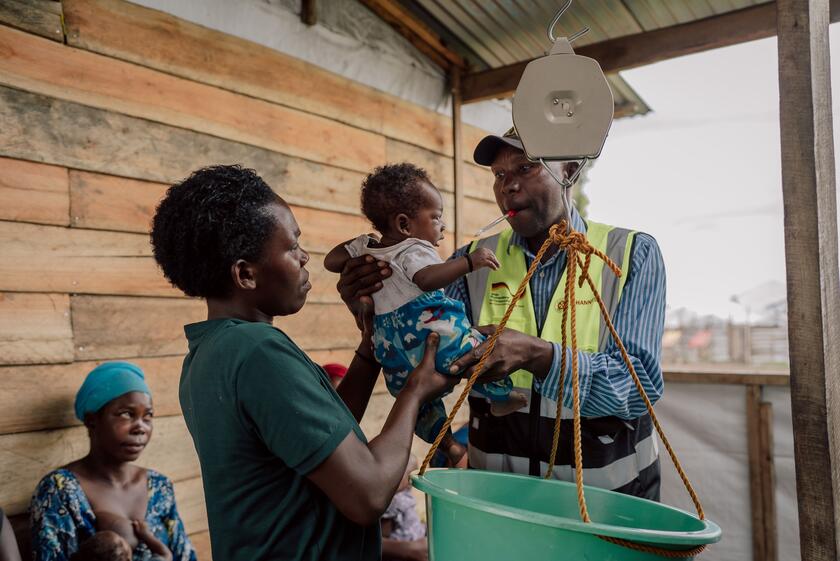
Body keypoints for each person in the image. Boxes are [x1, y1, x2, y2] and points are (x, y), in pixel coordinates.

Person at [337, 128, 665, 500]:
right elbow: (425, 353)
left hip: (606, 507)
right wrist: (377, 306)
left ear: (569, 171)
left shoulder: (629, 253)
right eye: (499, 175)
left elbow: (639, 390)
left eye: (526, 168)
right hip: (498, 503)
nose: (508, 186)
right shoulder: (468, 261)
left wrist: (539, 356)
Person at [150, 165, 457, 561]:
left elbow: (316, 437)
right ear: (245, 274)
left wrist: (369, 348)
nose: (305, 256)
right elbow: (368, 494)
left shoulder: (210, 352)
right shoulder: (259, 351)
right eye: (292, 247)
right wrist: (415, 391)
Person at [324, 163, 527, 447]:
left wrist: (360, 247)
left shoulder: (367, 248)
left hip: (390, 345)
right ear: (405, 225)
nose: (442, 225)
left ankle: (449, 447)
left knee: (416, 402)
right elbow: (427, 279)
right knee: (477, 349)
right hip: (431, 331)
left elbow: (330, 261)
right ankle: (501, 397)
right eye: (436, 217)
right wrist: (469, 261)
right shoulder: (415, 249)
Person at [30, 362, 196, 561]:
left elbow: (185, 557)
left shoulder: (159, 487)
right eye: (126, 414)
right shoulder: (60, 490)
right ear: (92, 420)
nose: (140, 427)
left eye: (148, 416)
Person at [381, 456, 426, 561]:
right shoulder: (392, 501)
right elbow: (385, 533)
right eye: (409, 475)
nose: (412, 479)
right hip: (405, 544)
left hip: (415, 535)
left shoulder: (404, 493)